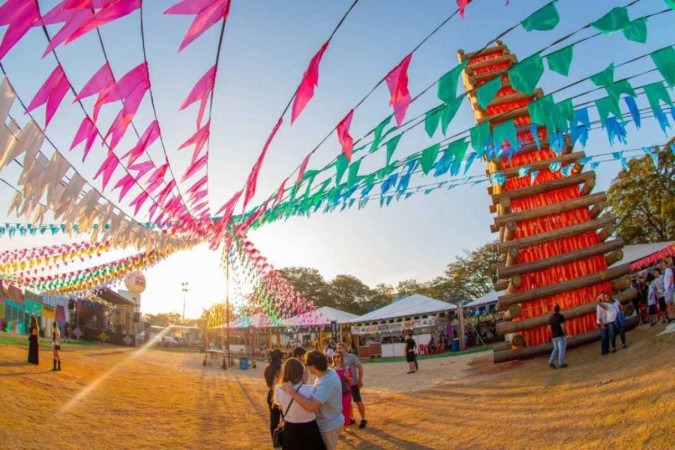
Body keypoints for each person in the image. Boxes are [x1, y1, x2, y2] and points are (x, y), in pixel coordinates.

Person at [281, 351, 342, 450]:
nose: (306, 367)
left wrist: (292, 392)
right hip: (331, 419)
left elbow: (311, 406)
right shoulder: (327, 372)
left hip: (328, 424)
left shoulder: (325, 384)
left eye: (306, 364)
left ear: (312, 366)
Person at [273, 358, 326, 450]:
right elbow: (316, 409)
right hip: (309, 427)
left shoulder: (279, 389)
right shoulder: (310, 389)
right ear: (301, 372)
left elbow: (280, 406)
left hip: (290, 428)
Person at [336, 342, 366, 429]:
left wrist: (359, 380)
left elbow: (360, 367)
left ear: (346, 349)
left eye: (340, 348)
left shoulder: (352, 357)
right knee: (347, 403)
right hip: (344, 385)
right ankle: (351, 417)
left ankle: (363, 418)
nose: (338, 350)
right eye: (337, 348)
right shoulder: (338, 358)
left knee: (357, 401)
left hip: (353, 383)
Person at [265, 349, 284, 443]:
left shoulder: (268, 368)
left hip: (271, 395)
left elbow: (269, 384)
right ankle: (283, 438)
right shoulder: (280, 370)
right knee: (285, 418)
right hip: (280, 396)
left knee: (274, 420)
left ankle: (275, 439)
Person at [332, 352, 353, 427]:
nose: (336, 358)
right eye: (335, 357)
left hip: (346, 393)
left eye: (338, 356)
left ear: (342, 358)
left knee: (346, 409)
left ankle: (346, 425)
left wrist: (347, 377)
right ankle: (339, 426)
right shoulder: (331, 370)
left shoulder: (346, 368)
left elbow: (351, 381)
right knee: (336, 411)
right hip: (335, 394)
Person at [662, 258, 674, 322]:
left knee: (669, 303)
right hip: (667, 289)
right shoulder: (664, 272)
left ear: (666, 265)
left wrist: (669, 286)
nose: (663, 266)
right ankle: (671, 316)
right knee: (668, 303)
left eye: (664, 265)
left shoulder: (668, 270)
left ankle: (672, 316)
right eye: (662, 265)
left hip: (669, 288)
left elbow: (671, 277)